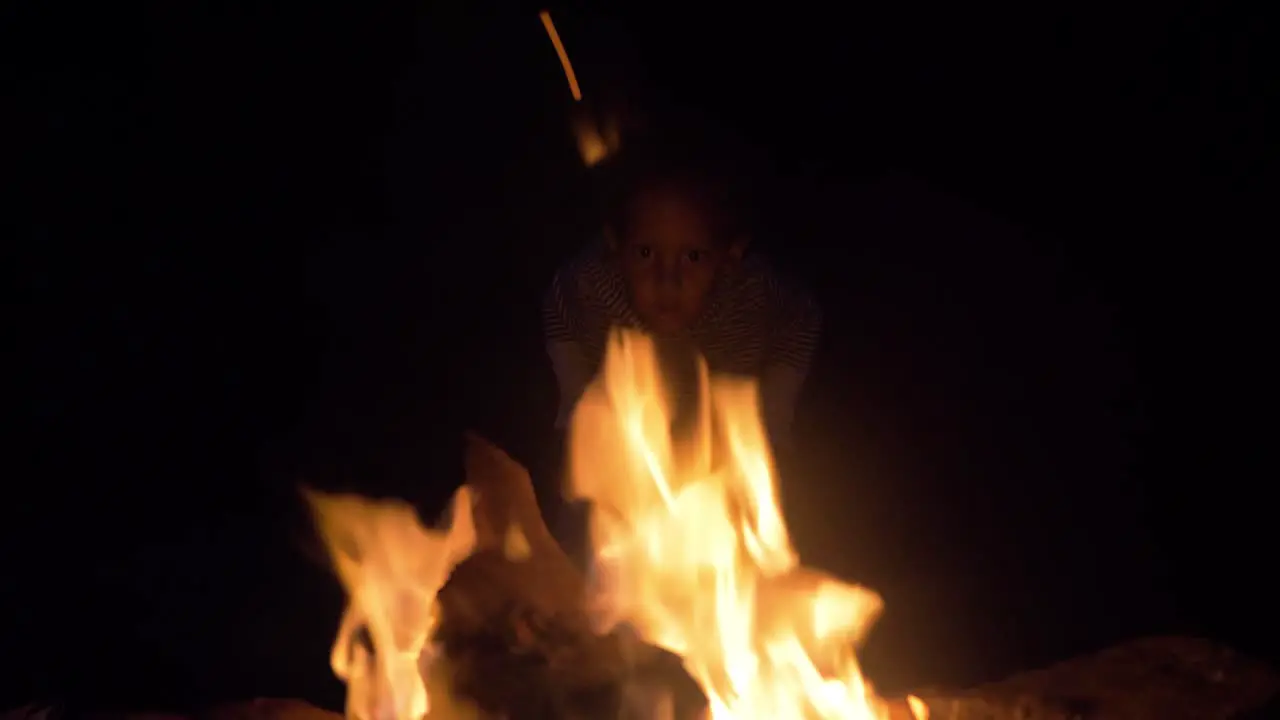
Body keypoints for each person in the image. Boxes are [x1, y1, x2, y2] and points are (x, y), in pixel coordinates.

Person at [541, 131, 821, 492]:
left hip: (721, 423)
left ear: (729, 254)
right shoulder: (593, 287)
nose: (667, 281)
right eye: (645, 254)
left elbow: (802, 319)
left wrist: (773, 415)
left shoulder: (751, 296)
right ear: (615, 245)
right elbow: (558, 308)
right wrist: (575, 402)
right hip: (629, 427)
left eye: (692, 257)